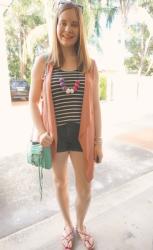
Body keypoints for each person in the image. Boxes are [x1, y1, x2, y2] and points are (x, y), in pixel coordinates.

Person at [29, 1, 103, 249]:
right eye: (63, 23)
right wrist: (41, 132)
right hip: (55, 137)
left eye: (74, 24)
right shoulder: (44, 62)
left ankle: (81, 225)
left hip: (82, 135)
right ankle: (67, 226)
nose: (68, 29)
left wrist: (98, 141)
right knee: (60, 183)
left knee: (85, 188)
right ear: (56, 25)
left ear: (80, 29)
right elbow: (32, 102)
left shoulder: (89, 65)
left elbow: (95, 107)